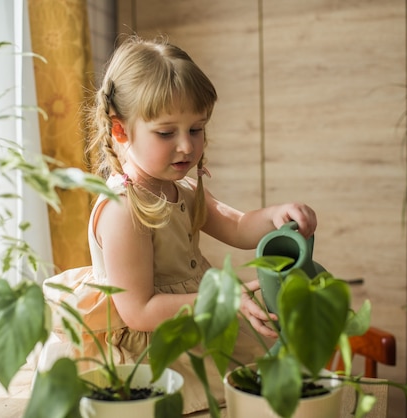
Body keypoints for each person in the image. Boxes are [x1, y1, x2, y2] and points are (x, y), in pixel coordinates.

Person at [40, 35, 317, 414]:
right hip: (149, 348)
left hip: (190, 321)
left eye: (196, 129)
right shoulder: (124, 208)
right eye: (167, 133)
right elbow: (139, 310)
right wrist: (223, 300)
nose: (186, 146)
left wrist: (276, 215)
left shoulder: (179, 188)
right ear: (120, 131)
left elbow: (236, 226)